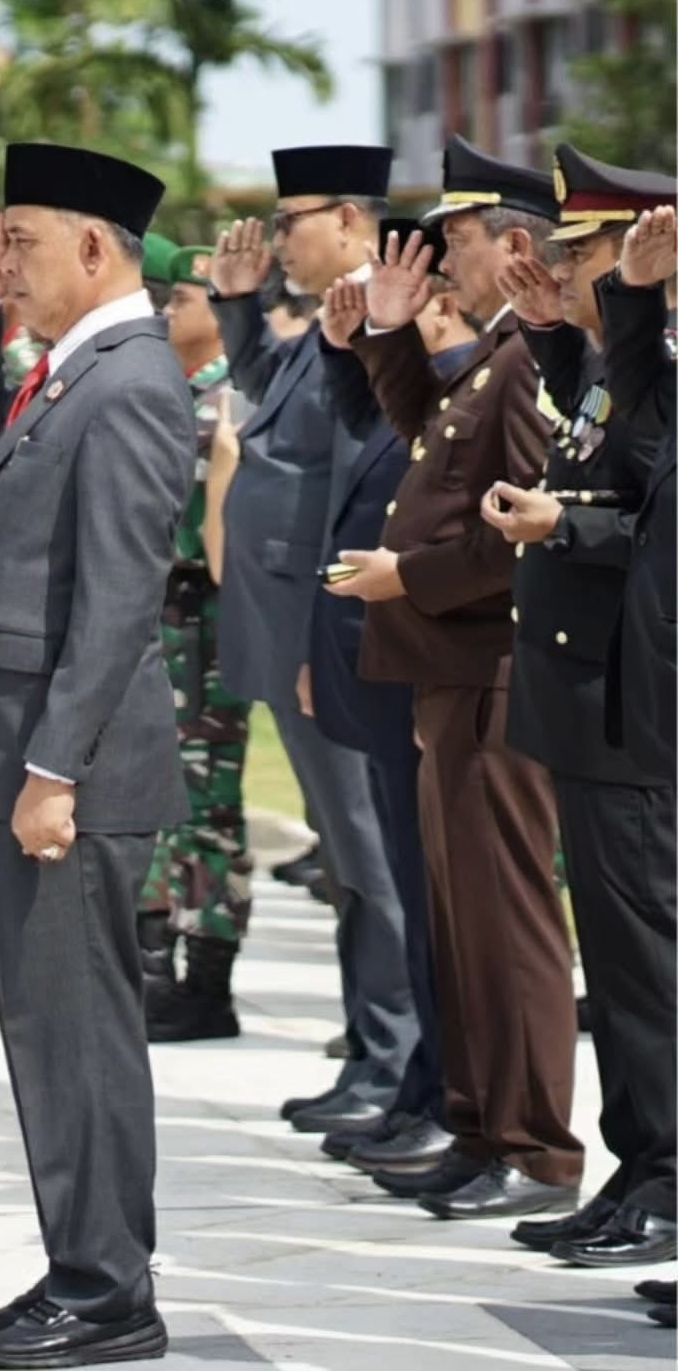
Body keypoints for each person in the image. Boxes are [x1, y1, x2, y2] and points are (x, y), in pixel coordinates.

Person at [0, 143, 194, 1369]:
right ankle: (78, 1267)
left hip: (63, 773)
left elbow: (121, 601)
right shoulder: (72, 366)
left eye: (21, 243)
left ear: (93, 246)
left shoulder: (130, 382)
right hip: (20, 756)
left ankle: (109, 1294)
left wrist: (54, 772)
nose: (7, 262)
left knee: (78, 1037)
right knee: (48, 1034)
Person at [325, 136, 582, 1221]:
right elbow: (430, 445)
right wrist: (386, 337)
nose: (443, 260)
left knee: (508, 922)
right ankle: (481, 1129)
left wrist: (409, 577)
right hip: (455, 671)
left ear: (513, 245)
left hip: (497, 670)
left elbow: (522, 532)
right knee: (463, 918)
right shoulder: (499, 350)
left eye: (459, 240)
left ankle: (534, 1148)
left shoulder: (533, 358)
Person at [480, 153, 676, 1268]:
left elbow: (643, 514)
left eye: (587, 253)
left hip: (632, 706)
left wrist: (565, 528)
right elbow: (614, 442)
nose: (564, 270)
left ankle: (667, 1177)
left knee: (647, 964)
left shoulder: (658, 365)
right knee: (618, 960)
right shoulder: (616, 368)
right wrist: (557, 334)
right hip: (594, 699)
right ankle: (640, 1167)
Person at [211, 145, 419, 1137]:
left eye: (289, 221)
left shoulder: (380, 321)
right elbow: (271, 398)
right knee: (344, 851)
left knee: (366, 853)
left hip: (323, 630)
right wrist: (239, 305)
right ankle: (372, 1047)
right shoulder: (329, 320)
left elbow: (362, 499)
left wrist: (331, 639)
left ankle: (395, 1056)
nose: (277, 238)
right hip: (290, 626)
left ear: (347, 219)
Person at [308, 217, 468, 1177]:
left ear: (437, 298)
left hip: (437, 675)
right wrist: (355, 348)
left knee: (442, 904)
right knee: (411, 890)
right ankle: (424, 1085)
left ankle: (452, 1097)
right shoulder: (429, 389)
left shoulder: (478, 384)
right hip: (386, 674)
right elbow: (372, 435)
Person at [138, 245, 254, 1044]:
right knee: (160, 802)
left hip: (207, 627)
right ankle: (159, 965)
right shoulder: (173, 394)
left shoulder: (231, 399)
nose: (168, 312)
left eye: (181, 299)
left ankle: (209, 981)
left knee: (208, 807)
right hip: (161, 625)